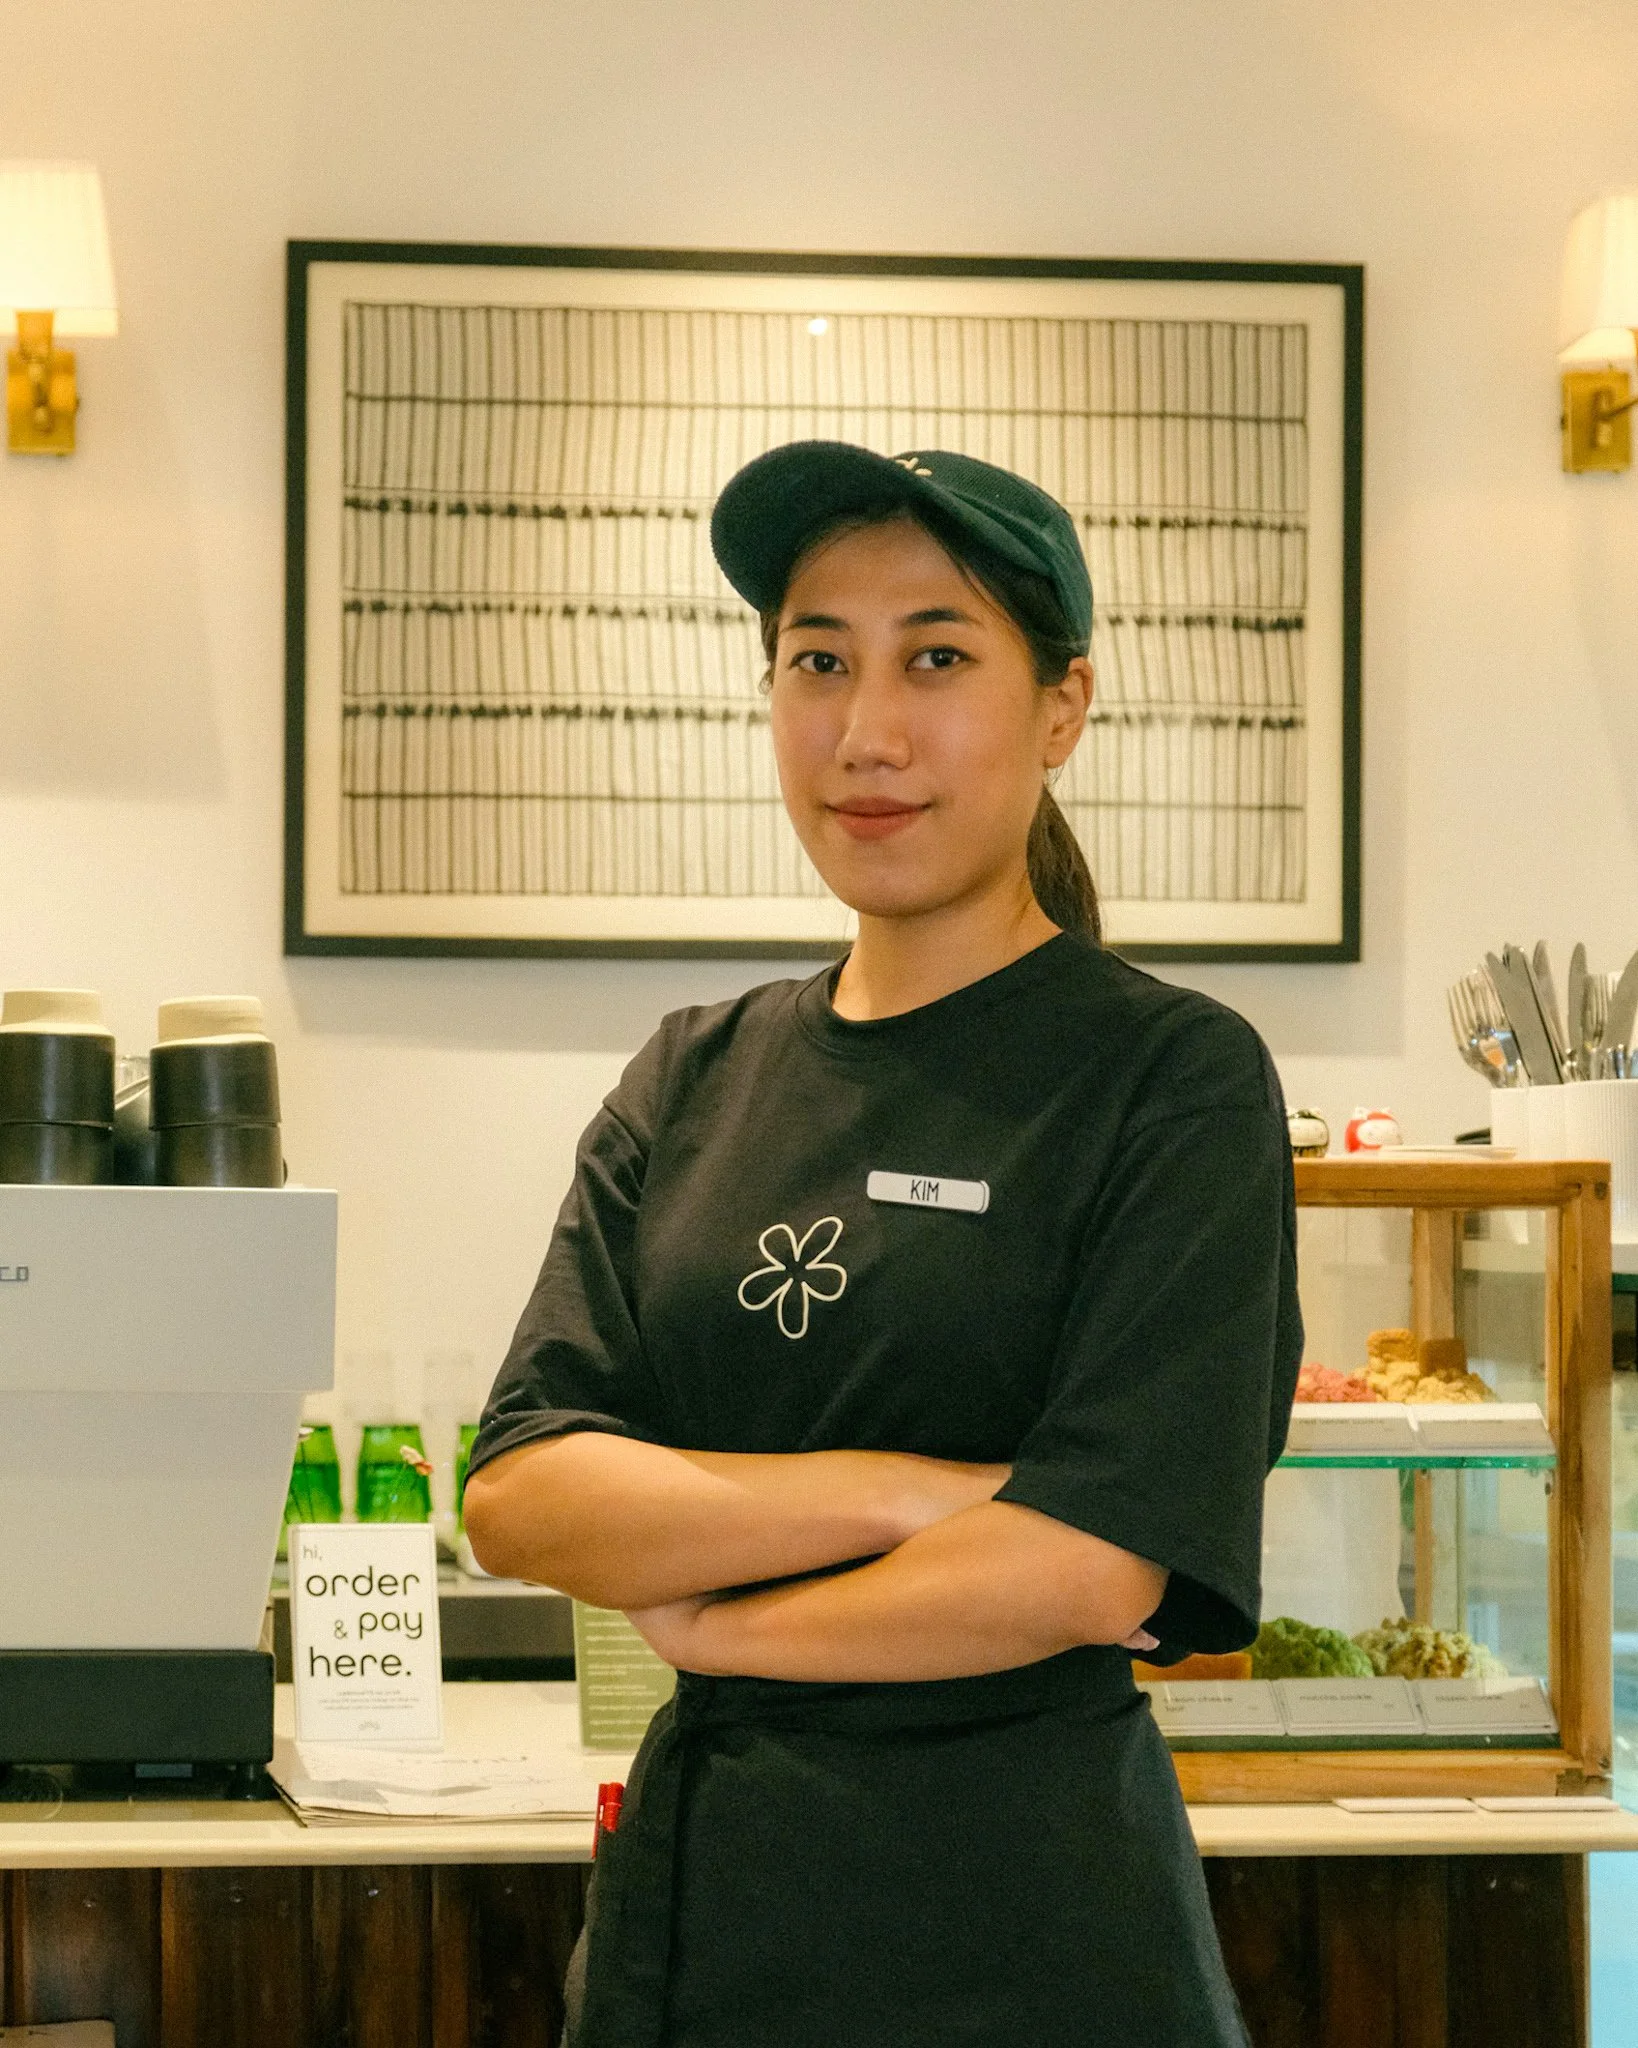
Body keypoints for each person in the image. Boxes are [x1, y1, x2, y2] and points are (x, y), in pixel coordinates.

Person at [463, 441, 1302, 2048]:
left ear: (1061, 706)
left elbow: (1085, 1562)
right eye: (816, 663)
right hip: (698, 1922)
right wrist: (909, 1494)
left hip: (1026, 1922)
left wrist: (719, 1625)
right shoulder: (695, 1072)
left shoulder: (1165, 1077)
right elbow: (523, 1491)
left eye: (936, 655)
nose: (866, 732)